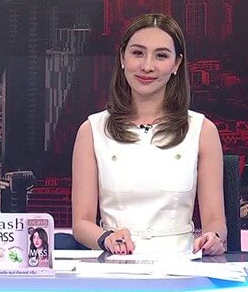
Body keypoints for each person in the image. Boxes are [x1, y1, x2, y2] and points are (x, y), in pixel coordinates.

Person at [71, 13, 227, 256]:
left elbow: (215, 219)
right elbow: (81, 224)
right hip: (115, 264)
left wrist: (213, 238)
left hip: (182, 264)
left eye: (161, 56)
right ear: (122, 57)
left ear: (176, 64)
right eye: (138, 53)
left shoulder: (202, 130)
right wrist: (106, 239)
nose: (147, 66)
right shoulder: (92, 130)